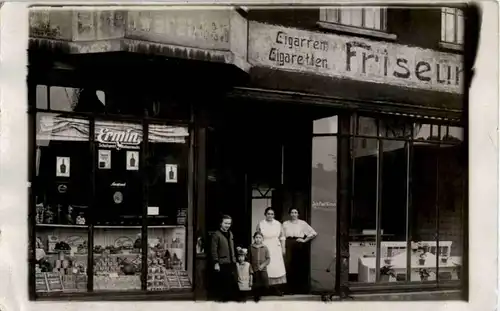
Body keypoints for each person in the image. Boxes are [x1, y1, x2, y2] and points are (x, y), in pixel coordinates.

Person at [282, 208, 318, 294]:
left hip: (299, 245)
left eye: (295, 212)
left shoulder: (302, 223)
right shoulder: (285, 223)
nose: (294, 214)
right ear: (289, 214)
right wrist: (283, 247)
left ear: (298, 214)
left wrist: (305, 240)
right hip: (289, 244)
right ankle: (290, 290)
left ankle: (301, 289)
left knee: (299, 266)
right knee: (289, 266)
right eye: (292, 212)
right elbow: (282, 236)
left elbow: (313, 233)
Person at [256, 207, 287, 296]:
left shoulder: (278, 224)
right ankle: (265, 289)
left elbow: (282, 237)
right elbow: (257, 237)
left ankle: (276, 289)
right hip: (265, 247)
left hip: (276, 247)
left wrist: (283, 248)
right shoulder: (260, 224)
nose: (270, 215)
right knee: (266, 266)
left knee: (276, 267)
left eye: (272, 214)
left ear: (274, 215)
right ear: (265, 214)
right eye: (268, 214)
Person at [211, 214, 239, 302]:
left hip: (231, 261)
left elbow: (231, 246)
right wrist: (216, 263)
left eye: (229, 223)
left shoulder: (230, 233)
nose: (227, 225)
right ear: (221, 223)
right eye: (225, 223)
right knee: (224, 284)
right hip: (222, 262)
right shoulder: (216, 235)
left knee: (233, 283)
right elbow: (213, 250)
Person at [248, 231, 270, 302]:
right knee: (256, 283)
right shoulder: (251, 247)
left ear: (262, 239)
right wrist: (251, 268)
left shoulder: (265, 247)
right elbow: (248, 260)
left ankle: (261, 294)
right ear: (254, 238)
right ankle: (256, 297)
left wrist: (263, 265)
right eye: (256, 237)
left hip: (263, 269)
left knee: (265, 283)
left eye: (260, 237)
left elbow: (268, 259)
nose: (258, 239)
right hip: (254, 269)